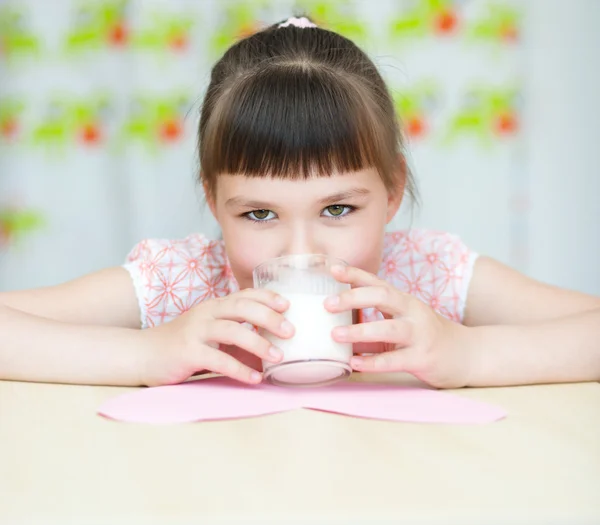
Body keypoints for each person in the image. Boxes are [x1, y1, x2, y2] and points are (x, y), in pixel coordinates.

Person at [1, 16, 599, 389]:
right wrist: (146, 353)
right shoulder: (183, 282)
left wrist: (466, 353)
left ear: (392, 191)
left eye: (338, 209)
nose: (301, 250)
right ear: (213, 201)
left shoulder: (427, 275)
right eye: (259, 214)